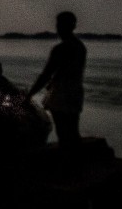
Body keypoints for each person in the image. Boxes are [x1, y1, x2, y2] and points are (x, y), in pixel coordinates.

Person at [26, 11, 86, 157]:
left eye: (60, 25)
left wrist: (29, 94)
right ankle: (76, 162)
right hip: (76, 91)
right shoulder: (80, 47)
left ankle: (68, 165)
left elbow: (46, 75)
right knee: (73, 130)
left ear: (67, 26)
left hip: (62, 93)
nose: (58, 29)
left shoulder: (60, 49)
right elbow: (69, 71)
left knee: (63, 132)